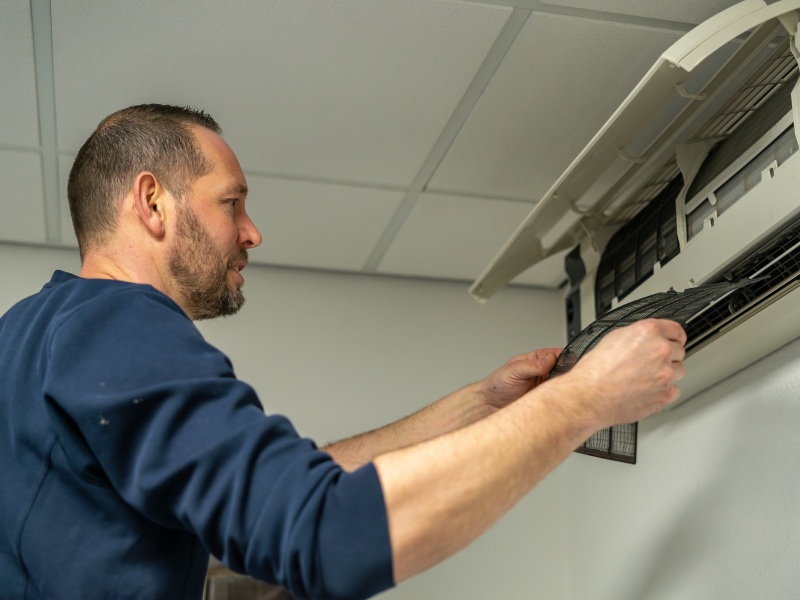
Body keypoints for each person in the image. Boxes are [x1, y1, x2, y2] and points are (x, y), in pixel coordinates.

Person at [0, 104, 687, 600]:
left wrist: (481, 405)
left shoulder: (32, 336)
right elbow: (324, 531)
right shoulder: (120, 321)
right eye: (232, 202)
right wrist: (587, 399)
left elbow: (291, 485)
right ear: (153, 203)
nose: (252, 232)